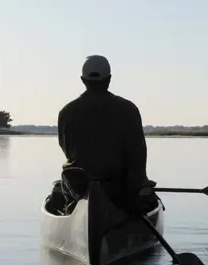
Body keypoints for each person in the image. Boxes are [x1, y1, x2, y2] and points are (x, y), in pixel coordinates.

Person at [49, 55, 157, 214]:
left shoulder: (66, 112)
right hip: (121, 190)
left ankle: (73, 212)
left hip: (80, 187)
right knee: (145, 195)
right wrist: (141, 185)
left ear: (83, 80)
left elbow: (67, 150)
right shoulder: (129, 109)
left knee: (59, 188)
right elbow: (138, 156)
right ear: (109, 79)